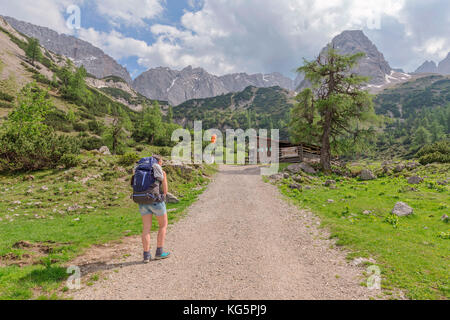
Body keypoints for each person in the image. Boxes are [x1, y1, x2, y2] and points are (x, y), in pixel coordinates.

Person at [139, 155, 171, 263]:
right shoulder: (161, 171)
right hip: (156, 201)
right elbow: (165, 190)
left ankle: (146, 255)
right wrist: (164, 197)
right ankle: (159, 252)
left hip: (142, 201)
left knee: (146, 228)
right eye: (162, 161)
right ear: (158, 162)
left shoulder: (141, 170)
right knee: (163, 225)